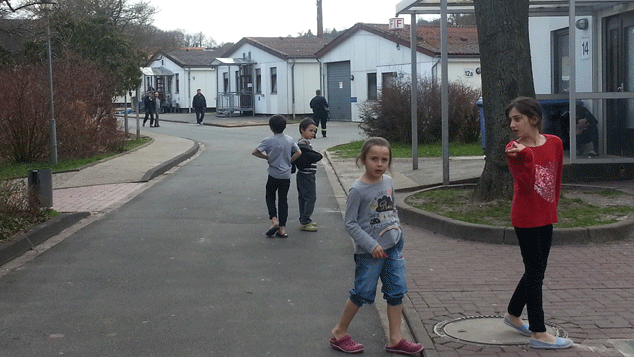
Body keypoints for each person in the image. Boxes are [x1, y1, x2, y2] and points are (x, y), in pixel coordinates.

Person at [330, 137, 423, 356]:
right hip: (369, 254)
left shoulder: (388, 181)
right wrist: (371, 245)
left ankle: (395, 339)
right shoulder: (357, 190)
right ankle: (339, 333)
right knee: (362, 293)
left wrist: (397, 231)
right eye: (374, 159)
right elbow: (350, 223)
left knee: (396, 292)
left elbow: (392, 210)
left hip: (393, 249)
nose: (379, 164)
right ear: (363, 159)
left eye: (384, 159)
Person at [503, 97, 573, 350]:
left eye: (517, 118)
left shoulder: (554, 143)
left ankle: (513, 314)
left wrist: (552, 208)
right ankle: (539, 332)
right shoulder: (514, 149)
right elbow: (526, 184)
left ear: (534, 119)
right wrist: (526, 157)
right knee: (535, 272)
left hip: (545, 215)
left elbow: (555, 179)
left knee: (537, 270)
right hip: (525, 218)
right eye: (511, 119)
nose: (513, 124)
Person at [252, 115, 302, 238]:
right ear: (285, 127)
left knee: (270, 196)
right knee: (283, 200)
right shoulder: (289, 140)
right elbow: (299, 152)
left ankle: (274, 220)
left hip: (273, 173)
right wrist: (289, 161)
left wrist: (267, 157)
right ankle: (282, 229)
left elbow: (255, 152)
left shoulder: (268, 141)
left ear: (271, 127)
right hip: (285, 175)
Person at [292, 119, 323, 232]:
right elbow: (314, 156)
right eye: (310, 130)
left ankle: (303, 218)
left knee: (303, 197)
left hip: (305, 175)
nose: (313, 133)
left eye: (314, 131)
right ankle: (305, 220)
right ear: (302, 130)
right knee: (310, 197)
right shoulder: (302, 144)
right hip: (306, 175)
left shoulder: (306, 143)